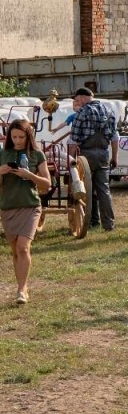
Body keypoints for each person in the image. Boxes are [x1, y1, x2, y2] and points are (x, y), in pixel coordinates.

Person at [1, 118, 50, 304]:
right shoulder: (3, 153)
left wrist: (28, 175)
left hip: (30, 205)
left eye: (21, 136)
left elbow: (47, 183)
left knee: (23, 247)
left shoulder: (37, 154)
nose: (17, 140)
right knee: (15, 251)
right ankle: (22, 284)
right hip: (7, 207)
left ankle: (21, 290)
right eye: (14, 137)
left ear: (28, 136)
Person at [68, 86, 118, 232]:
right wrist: (114, 157)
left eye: (78, 100)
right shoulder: (109, 112)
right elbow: (114, 138)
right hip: (103, 153)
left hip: (86, 155)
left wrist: (71, 162)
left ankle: (88, 222)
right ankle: (109, 224)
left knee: (85, 190)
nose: (78, 103)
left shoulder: (81, 113)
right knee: (104, 190)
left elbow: (74, 140)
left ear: (83, 97)